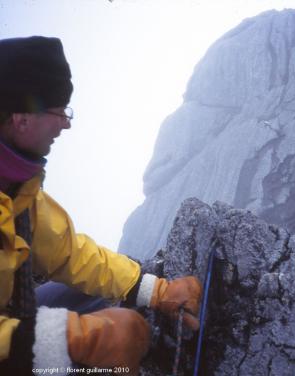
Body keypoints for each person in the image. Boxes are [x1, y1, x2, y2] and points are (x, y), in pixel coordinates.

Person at [0, 36, 202, 375]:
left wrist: (156, 291)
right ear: (21, 119)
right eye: (59, 111)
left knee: (85, 295)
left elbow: (71, 255)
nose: (66, 123)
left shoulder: (18, 189)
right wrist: (72, 340)